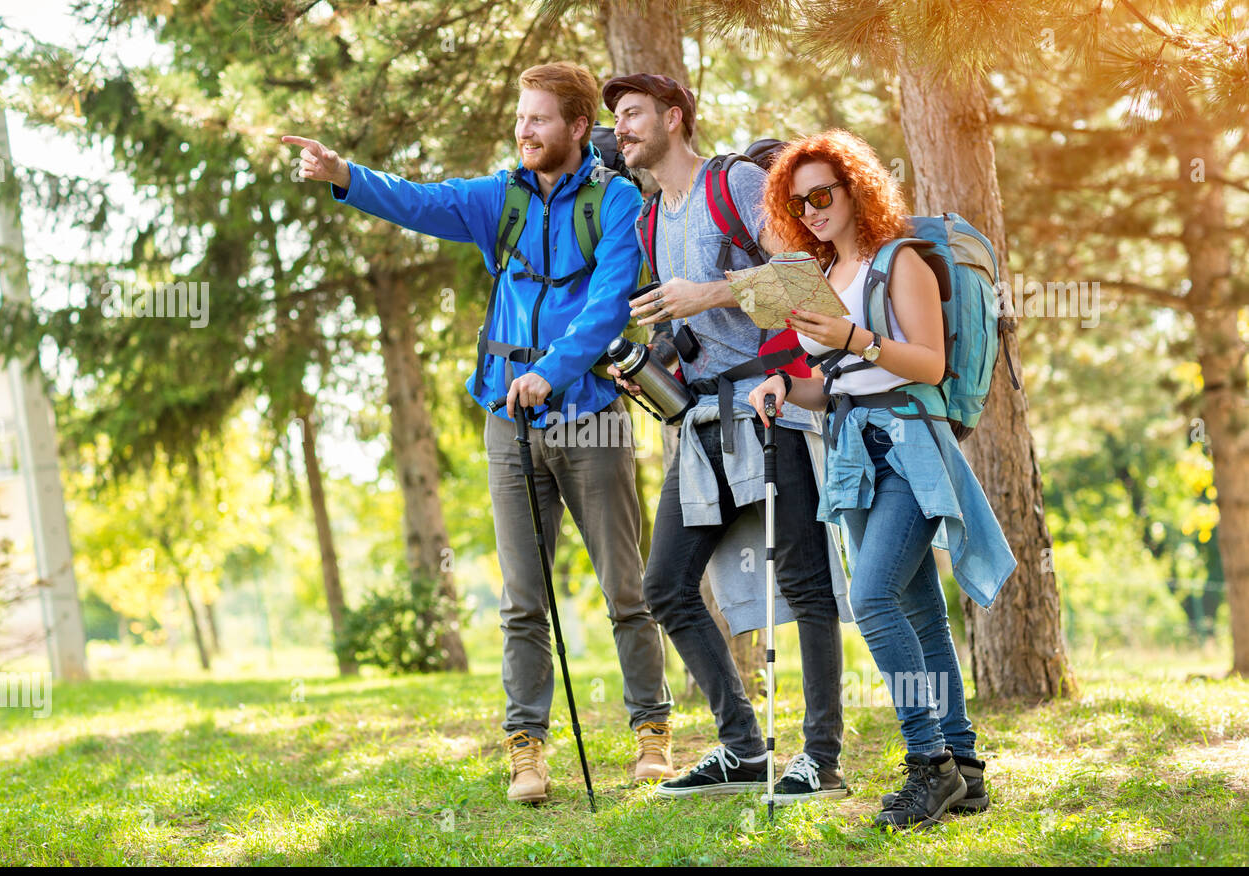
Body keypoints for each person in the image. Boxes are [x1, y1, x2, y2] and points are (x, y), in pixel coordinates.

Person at [283, 62, 674, 806]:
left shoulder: (617, 202)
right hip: (507, 420)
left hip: (589, 417)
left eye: (539, 119)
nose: (523, 130)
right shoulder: (498, 198)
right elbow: (417, 202)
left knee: (626, 587)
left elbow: (608, 304)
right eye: (520, 118)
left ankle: (651, 733)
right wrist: (343, 174)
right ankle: (526, 750)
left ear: (576, 128)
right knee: (522, 599)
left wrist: (552, 372)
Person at [746, 129, 1017, 830]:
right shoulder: (812, 276)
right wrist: (782, 384)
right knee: (920, 609)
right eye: (798, 202)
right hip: (851, 450)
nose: (811, 210)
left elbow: (927, 364)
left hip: (909, 446)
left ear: (855, 189)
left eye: (822, 194)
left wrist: (854, 338)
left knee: (869, 597)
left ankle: (928, 766)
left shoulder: (902, 261)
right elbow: (830, 387)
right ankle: (966, 767)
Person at [603, 73, 848, 803]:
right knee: (667, 587)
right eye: (616, 118)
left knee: (807, 585)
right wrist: (655, 364)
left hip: (773, 405)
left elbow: (802, 280)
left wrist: (707, 291)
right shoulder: (652, 221)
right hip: (703, 420)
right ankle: (743, 749)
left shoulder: (736, 182)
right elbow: (694, 334)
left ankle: (822, 759)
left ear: (674, 118)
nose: (621, 128)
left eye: (634, 113)